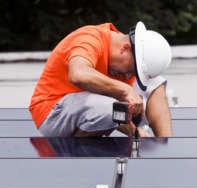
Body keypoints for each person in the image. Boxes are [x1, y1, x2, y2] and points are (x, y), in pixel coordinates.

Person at [29, 21, 173, 137]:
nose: (130, 76)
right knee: (112, 109)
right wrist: (134, 131)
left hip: (91, 101)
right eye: (132, 70)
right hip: (53, 112)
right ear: (125, 49)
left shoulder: (121, 57)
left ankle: (166, 147)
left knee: (155, 83)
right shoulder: (89, 39)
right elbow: (78, 74)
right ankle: (74, 150)